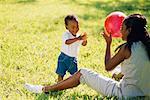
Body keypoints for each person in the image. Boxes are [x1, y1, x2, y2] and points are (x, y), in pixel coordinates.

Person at [24, 14, 150, 98]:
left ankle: (45, 89)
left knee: (82, 73)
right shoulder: (147, 45)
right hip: (145, 93)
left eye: (122, 28)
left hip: (124, 94)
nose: (120, 30)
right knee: (120, 70)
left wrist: (108, 44)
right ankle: (118, 75)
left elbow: (108, 66)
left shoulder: (126, 48)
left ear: (130, 30)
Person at [55, 15, 87, 82]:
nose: (75, 29)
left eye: (77, 26)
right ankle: (59, 84)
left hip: (73, 59)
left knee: (75, 75)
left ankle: (71, 84)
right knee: (60, 73)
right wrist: (78, 39)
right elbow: (67, 42)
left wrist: (84, 39)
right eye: (73, 27)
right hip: (63, 57)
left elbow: (84, 44)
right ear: (66, 27)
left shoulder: (78, 36)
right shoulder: (66, 34)